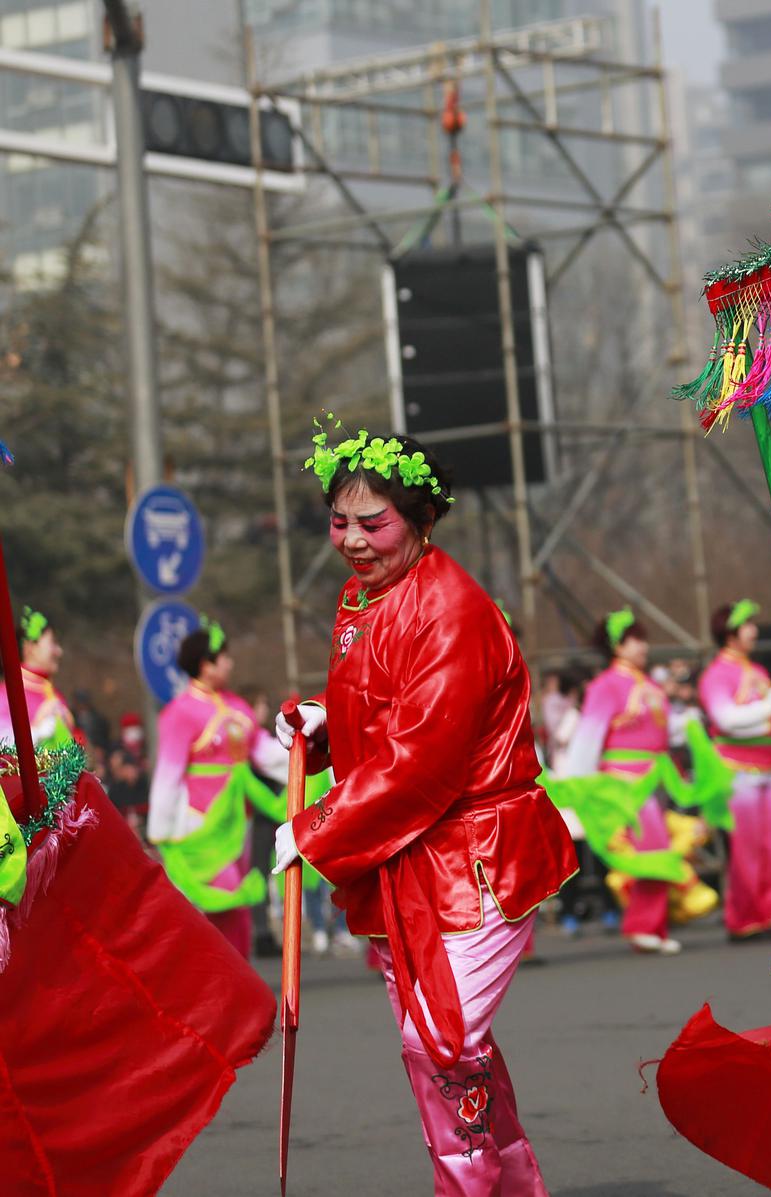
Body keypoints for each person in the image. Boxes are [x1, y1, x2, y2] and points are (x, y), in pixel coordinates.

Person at [269, 422, 575, 1194]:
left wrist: (314, 828)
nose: (354, 541)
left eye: (375, 523)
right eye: (341, 522)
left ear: (422, 518)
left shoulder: (452, 609)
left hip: (473, 856)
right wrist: (326, 724)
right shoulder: (365, 597)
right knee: (448, 1046)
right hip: (411, 860)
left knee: (438, 1040)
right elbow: (388, 713)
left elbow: (421, 763)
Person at [554, 609, 718, 955]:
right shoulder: (606, 686)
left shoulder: (649, 685)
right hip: (623, 787)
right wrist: (582, 795)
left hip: (652, 783)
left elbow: (662, 730)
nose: (642, 645)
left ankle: (652, 926)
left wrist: (686, 723)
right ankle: (644, 926)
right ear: (617, 645)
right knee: (652, 852)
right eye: (634, 639)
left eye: (642, 638)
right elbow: (587, 741)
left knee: (656, 851)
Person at [146, 618, 290, 957]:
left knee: (233, 910)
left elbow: (265, 753)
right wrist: (160, 834)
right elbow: (168, 775)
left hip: (237, 826)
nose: (230, 663)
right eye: (223, 657)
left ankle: (233, 985)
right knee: (225, 906)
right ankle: (225, 987)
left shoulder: (237, 708)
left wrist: (304, 752)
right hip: (200, 826)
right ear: (206, 664)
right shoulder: (179, 713)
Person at [698, 600, 771, 941]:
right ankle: (743, 919)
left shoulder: (758, 672)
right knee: (748, 850)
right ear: (729, 632)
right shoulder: (716, 676)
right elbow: (726, 720)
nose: (754, 630)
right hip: (739, 773)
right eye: (747, 625)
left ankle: (766, 913)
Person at [0, 606, 77, 750]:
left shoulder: (52, 692)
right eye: (52, 643)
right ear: (30, 647)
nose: (59, 651)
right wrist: (36, 730)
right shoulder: (6, 696)